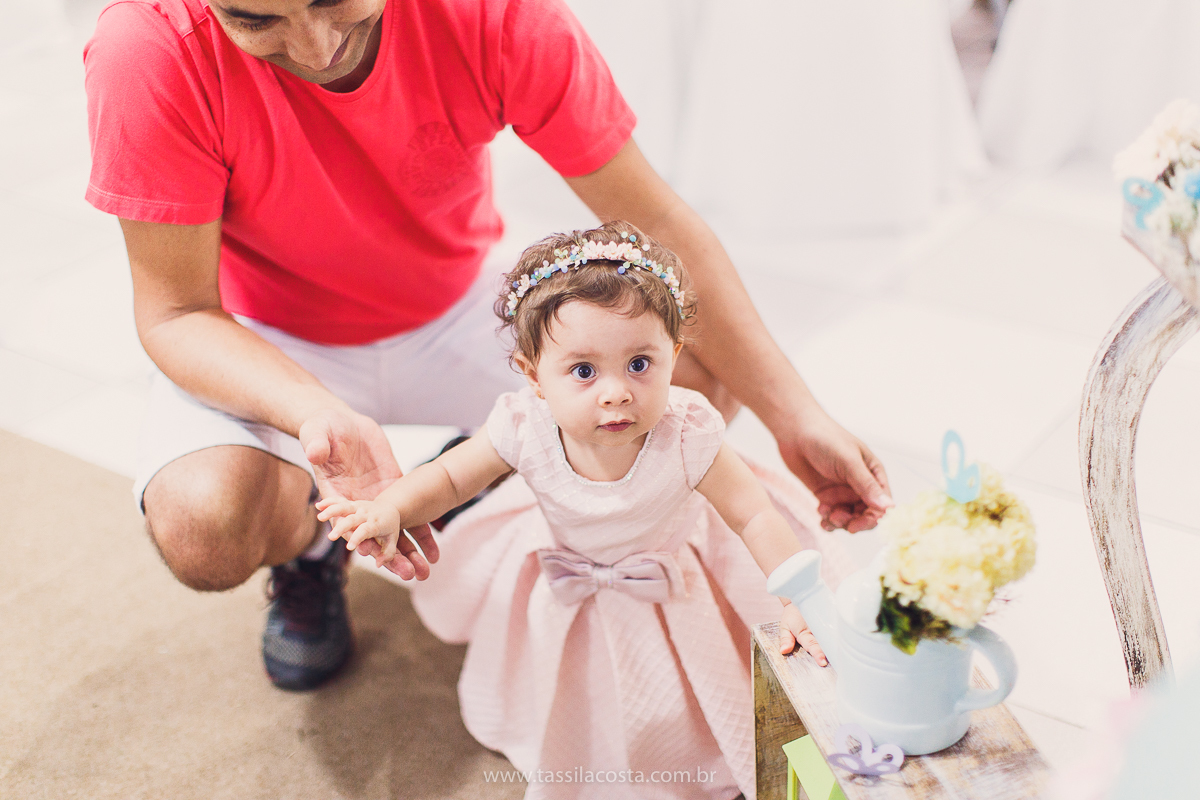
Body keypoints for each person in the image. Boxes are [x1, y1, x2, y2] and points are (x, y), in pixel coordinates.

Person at [83, 0, 893, 692]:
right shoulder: (148, 48)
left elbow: (660, 228)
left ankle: (542, 520)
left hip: (456, 305)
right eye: (254, 18)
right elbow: (177, 313)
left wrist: (795, 414)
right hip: (271, 340)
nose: (313, 49)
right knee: (202, 526)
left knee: (680, 367)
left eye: (337, 2)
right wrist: (315, 415)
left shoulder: (493, 13)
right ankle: (312, 550)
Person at [318, 222, 854, 800]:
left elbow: (751, 513)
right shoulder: (524, 425)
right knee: (574, 689)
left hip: (674, 575)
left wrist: (794, 595)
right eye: (583, 371)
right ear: (534, 377)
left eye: (640, 364)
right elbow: (449, 477)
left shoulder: (685, 433)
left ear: (673, 357)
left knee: (689, 702)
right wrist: (392, 506)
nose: (616, 392)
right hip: (571, 569)